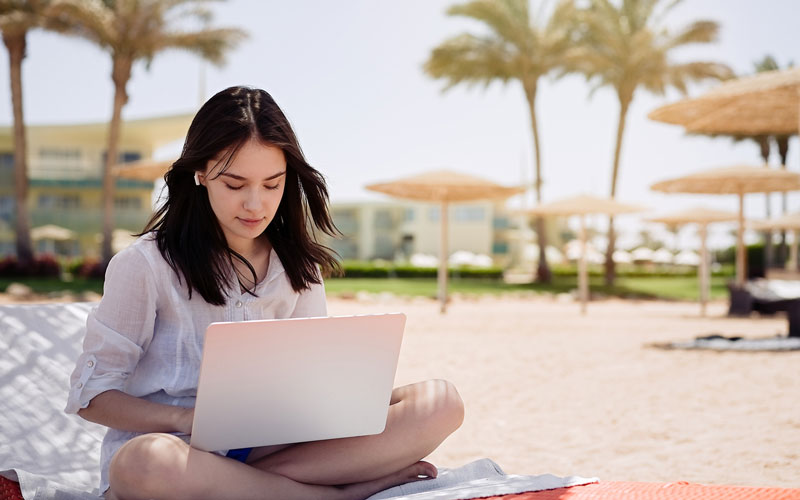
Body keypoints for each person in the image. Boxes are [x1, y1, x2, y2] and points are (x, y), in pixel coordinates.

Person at [65, 86, 464, 500]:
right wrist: (186, 417)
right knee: (144, 462)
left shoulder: (299, 268)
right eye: (235, 185)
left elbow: (312, 383)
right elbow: (92, 396)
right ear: (200, 174)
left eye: (272, 184)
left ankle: (261, 489)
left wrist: (336, 403)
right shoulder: (145, 265)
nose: (255, 204)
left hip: (274, 446)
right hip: (182, 453)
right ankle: (331, 495)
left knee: (442, 402)